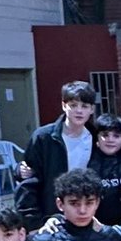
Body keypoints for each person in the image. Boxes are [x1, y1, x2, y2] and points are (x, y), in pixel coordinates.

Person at [17, 80, 96, 230]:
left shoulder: (97, 137)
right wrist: (33, 222)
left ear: (92, 109)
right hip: (51, 216)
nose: (79, 111)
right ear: (63, 105)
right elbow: (28, 180)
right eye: (73, 105)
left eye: (84, 106)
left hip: (86, 214)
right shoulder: (43, 137)